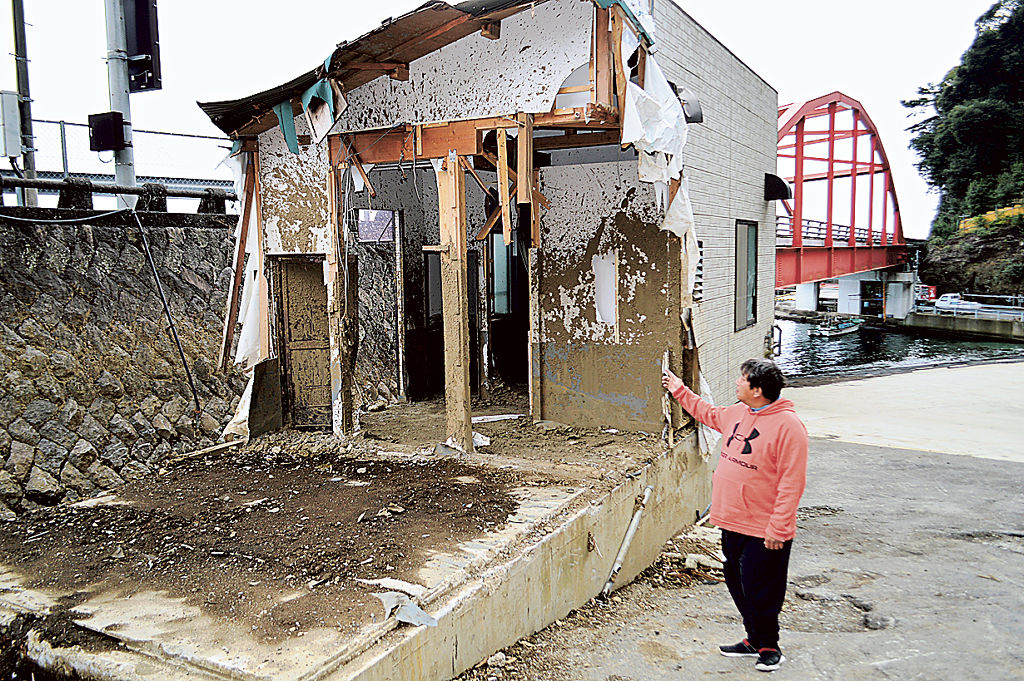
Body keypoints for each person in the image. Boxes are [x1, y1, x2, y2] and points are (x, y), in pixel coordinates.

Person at [662, 358, 807, 673]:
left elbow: (791, 483)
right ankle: (753, 638)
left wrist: (778, 528)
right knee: (735, 580)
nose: (737, 383)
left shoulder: (789, 428)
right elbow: (709, 415)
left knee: (761, 587)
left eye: (742, 380)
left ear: (756, 390)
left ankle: (770, 646)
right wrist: (679, 390)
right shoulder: (739, 412)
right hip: (732, 519)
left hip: (765, 526)